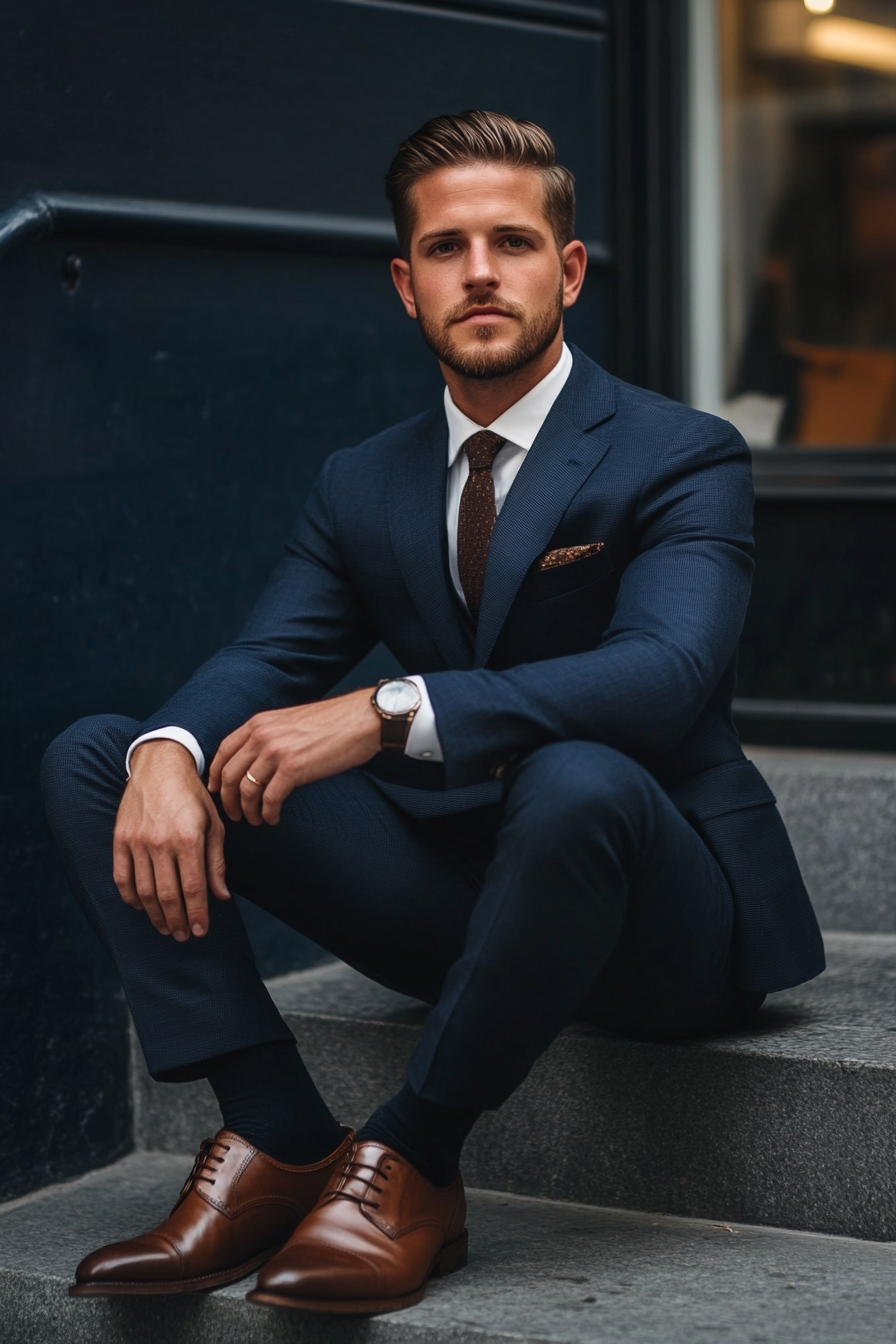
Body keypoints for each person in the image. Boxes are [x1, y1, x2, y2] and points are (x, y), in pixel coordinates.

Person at [43, 110, 824, 1315]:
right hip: (463, 899)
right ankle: (279, 1137)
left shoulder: (679, 451)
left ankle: (410, 1157)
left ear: (565, 270)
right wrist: (168, 753)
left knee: (576, 776)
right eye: (447, 249)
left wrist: (384, 708)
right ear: (405, 286)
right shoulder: (362, 478)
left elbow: (664, 672)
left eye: (510, 243)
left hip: (658, 920)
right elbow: (267, 649)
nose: (479, 273)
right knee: (98, 756)